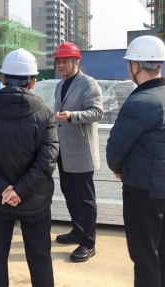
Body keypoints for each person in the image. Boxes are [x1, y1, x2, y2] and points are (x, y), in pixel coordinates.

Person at [106, 36, 165, 287]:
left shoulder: (138, 103)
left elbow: (114, 151)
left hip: (145, 193)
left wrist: (120, 169)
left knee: (145, 258)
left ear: (136, 66)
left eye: (129, 63)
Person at [0, 48, 59, 287]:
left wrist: (5, 188)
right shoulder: (44, 113)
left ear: (2, 78)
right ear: (33, 82)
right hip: (35, 202)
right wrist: (20, 190)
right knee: (40, 259)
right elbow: (48, 159)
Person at [53, 41, 103, 262]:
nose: (61, 65)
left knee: (85, 198)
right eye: (58, 61)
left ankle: (88, 243)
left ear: (76, 61)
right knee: (69, 194)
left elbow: (97, 112)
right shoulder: (60, 85)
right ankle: (77, 230)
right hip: (64, 151)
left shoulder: (88, 84)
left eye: (65, 61)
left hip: (81, 151)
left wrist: (72, 116)